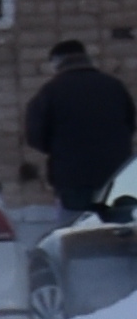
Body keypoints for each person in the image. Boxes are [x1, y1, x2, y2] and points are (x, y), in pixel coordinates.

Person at [29, 38, 135, 217]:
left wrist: (60, 149)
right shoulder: (114, 87)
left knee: (75, 236)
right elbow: (130, 124)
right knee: (120, 235)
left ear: (56, 61)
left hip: (72, 180)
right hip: (116, 177)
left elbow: (35, 136)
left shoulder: (50, 92)